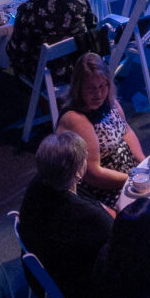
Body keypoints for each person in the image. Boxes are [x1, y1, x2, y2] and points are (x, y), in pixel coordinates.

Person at [19, 132, 115, 298]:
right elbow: (117, 241)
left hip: (44, 278)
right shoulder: (88, 216)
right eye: (84, 158)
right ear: (78, 172)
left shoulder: (39, 183)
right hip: (80, 295)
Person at [6, 0, 109, 86]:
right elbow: (92, 24)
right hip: (82, 67)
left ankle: (41, 104)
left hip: (49, 77)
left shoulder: (28, 10)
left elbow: (15, 51)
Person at [54, 53, 138, 202]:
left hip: (131, 178)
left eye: (102, 86)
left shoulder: (111, 103)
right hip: (105, 192)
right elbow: (93, 174)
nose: (98, 94)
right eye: (91, 89)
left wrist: (145, 164)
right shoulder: (76, 119)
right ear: (79, 89)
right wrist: (134, 181)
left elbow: (127, 132)